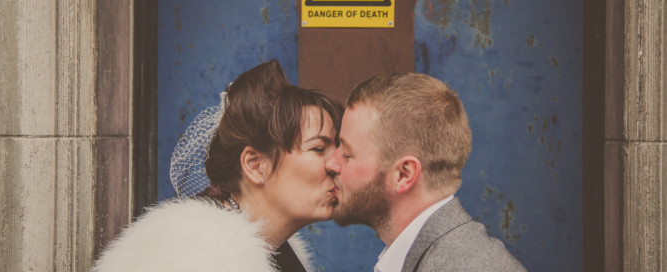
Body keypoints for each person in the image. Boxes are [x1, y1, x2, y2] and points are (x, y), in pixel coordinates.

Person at [93, 60, 343, 272]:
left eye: (339, 148)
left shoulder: (271, 250)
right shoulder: (202, 259)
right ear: (255, 165)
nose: (336, 163)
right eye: (319, 149)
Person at [325, 73, 526, 272]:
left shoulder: (465, 266)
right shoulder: (442, 256)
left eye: (347, 154)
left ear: (404, 174)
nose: (331, 163)